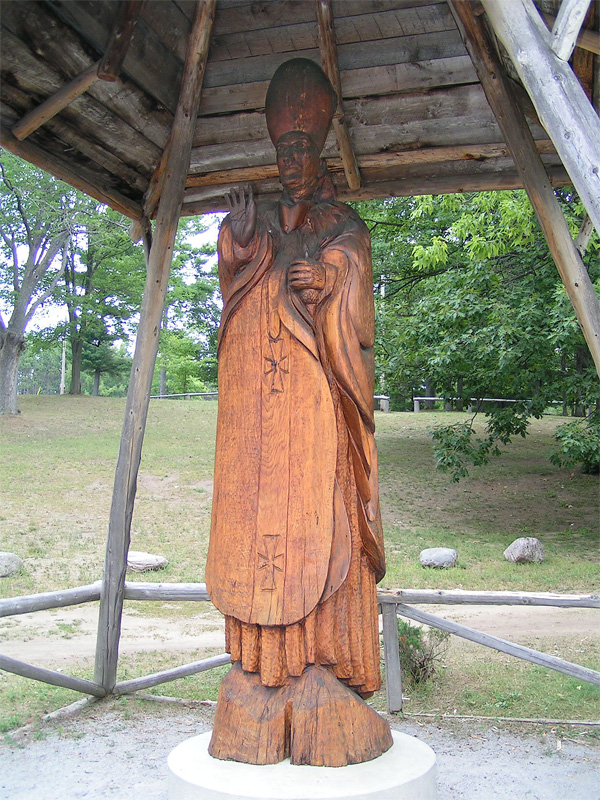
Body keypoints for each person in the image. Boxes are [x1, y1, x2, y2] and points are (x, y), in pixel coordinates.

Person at [206, 58, 391, 766]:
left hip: (321, 434)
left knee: (330, 538)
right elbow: (236, 295)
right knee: (266, 537)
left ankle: (323, 670)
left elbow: (356, 292)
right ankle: (263, 674)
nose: (290, 161)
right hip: (265, 436)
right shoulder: (258, 221)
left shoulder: (343, 225)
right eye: (282, 148)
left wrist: (330, 280)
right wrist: (242, 247)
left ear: (319, 151)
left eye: (302, 148)